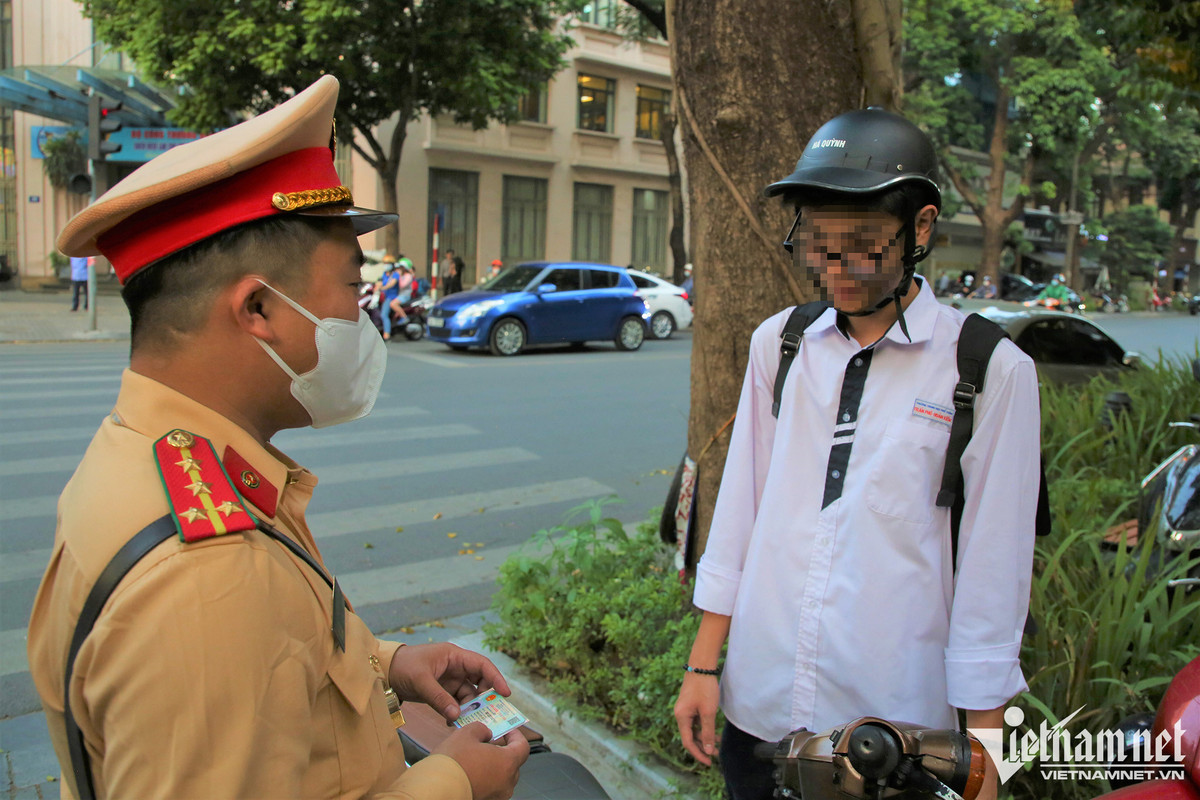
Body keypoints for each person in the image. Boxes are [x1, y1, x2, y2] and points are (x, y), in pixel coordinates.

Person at [28, 76, 527, 800]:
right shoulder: (204, 580)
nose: (363, 320)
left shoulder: (163, 457)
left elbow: (272, 661)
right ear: (259, 308)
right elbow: (227, 643)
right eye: (352, 291)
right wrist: (455, 782)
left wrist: (389, 663)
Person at [673, 108, 1040, 800]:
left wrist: (985, 764)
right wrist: (702, 666)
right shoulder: (780, 344)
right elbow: (742, 511)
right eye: (819, 242)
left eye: (864, 244)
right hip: (761, 709)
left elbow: (995, 578)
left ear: (921, 227)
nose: (838, 267)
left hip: (892, 734)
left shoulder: (987, 369)